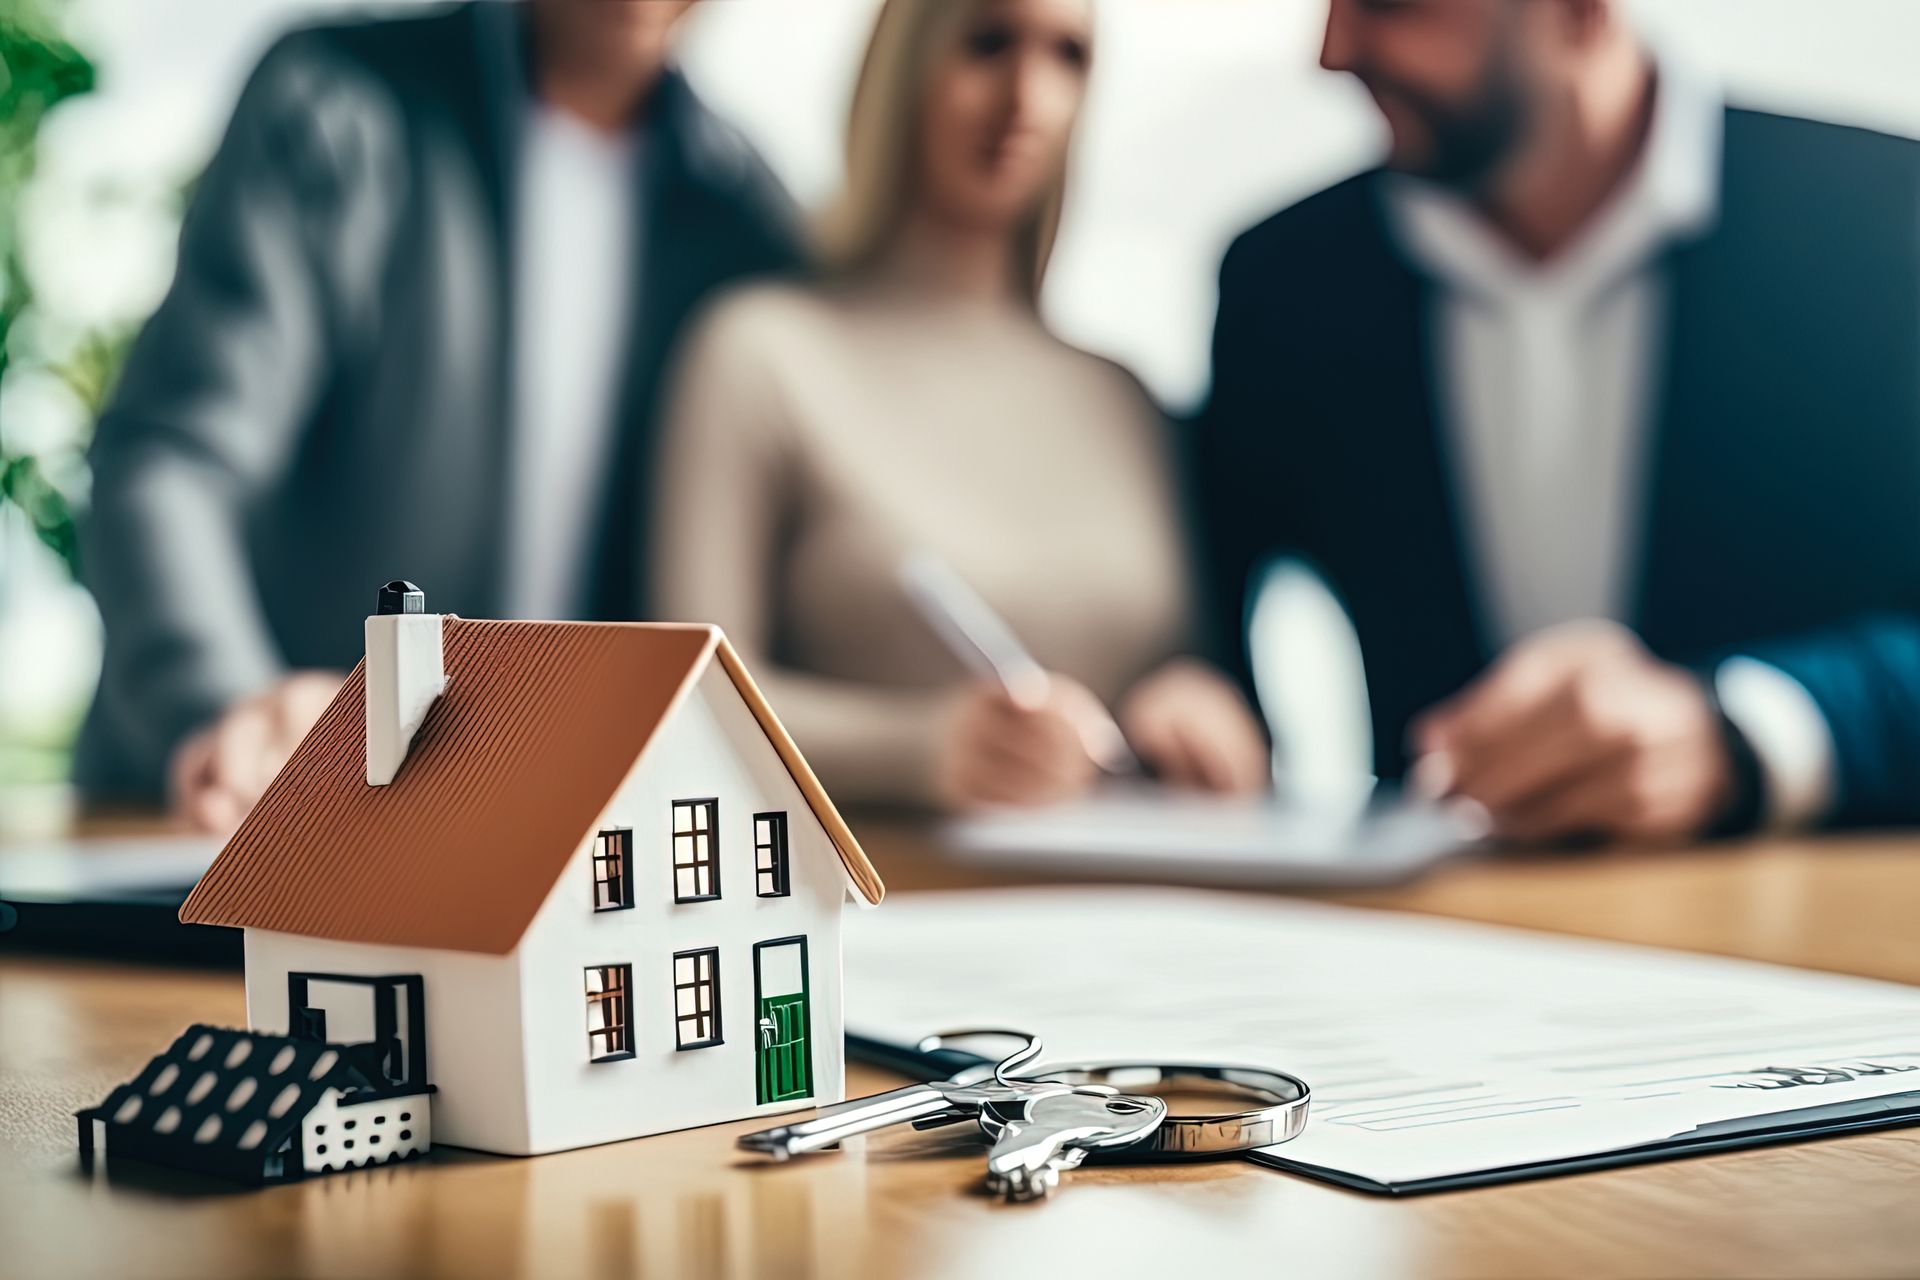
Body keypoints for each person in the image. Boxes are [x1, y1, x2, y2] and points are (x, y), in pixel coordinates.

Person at [1198, 0, 1920, 841]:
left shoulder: (1888, 228)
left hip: (1818, 931)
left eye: (1390, 5)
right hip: (1435, 938)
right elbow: (1206, 630)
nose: (1330, 52)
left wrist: (1744, 731)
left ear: (1580, 11)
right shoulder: (1281, 285)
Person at [78, 0, 801, 831]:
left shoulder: (746, 219)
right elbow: (172, 457)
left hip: (534, 851)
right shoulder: (333, 100)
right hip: (220, 821)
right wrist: (225, 699)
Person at [651, 0, 1269, 812]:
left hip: (1137, 907)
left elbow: (1188, 663)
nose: (1027, 97)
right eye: (986, 44)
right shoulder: (758, 353)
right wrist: (918, 752)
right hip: (889, 909)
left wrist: (1197, 708)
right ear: (906, 64)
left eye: (1068, 57)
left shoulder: (1125, 399)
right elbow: (691, 698)